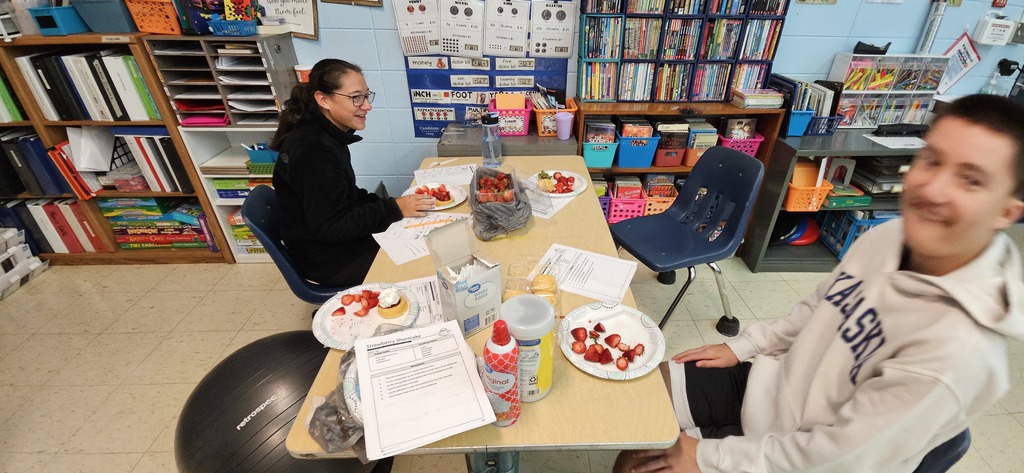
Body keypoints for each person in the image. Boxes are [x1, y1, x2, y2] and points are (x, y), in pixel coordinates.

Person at [615, 94, 1024, 473]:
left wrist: (704, 456)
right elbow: (820, 306)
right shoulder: (890, 236)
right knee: (638, 394)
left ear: (1007, 211)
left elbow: (837, 458)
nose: (934, 189)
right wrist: (744, 346)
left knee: (638, 463)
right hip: (770, 390)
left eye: (971, 180)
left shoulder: (957, 354)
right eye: (932, 160)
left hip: (805, 454)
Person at [270, 59, 434, 287]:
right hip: (328, 260)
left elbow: (345, 195)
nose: (367, 106)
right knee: (426, 261)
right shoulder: (316, 150)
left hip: (327, 246)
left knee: (414, 233)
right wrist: (394, 208)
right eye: (356, 97)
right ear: (323, 99)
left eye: (367, 96)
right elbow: (331, 226)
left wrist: (393, 204)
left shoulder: (323, 134)